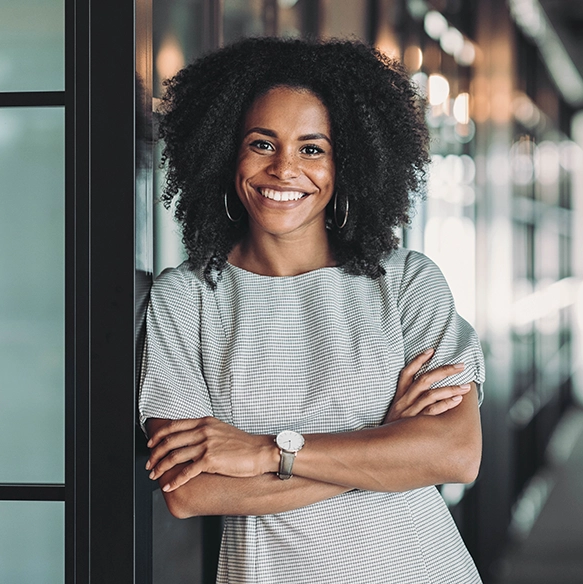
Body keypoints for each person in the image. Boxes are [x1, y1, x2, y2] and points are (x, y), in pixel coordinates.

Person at [139, 37, 486, 584]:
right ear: (226, 152)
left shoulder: (406, 284)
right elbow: (191, 492)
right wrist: (387, 447)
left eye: (311, 148)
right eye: (261, 143)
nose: (283, 169)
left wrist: (265, 453)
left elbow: (456, 452)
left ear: (345, 163)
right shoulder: (185, 300)